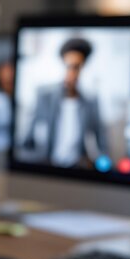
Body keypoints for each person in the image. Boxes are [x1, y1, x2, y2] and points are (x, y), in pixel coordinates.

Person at [23, 38, 107, 168]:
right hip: (47, 167)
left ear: (82, 67)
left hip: (77, 169)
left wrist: (99, 165)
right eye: (68, 66)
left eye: (76, 67)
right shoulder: (44, 96)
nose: (71, 73)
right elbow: (27, 141)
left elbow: (102, 144)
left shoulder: (91, 102)